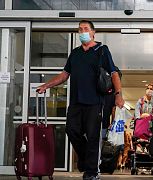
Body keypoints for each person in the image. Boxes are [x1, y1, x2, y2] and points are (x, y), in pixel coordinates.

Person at [37, 20, 124, 180]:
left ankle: (91, 173)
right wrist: (46, 85)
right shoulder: (75, 53)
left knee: (93, 137)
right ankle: (89, 159)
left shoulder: (102, 50)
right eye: (80, 29)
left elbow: (113, 74)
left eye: (85, 29)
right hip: (76, 102)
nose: (82, 31)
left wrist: (118, 94)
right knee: (71, 130)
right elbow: (64, 75)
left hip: (95, 103)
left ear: (93, 32)